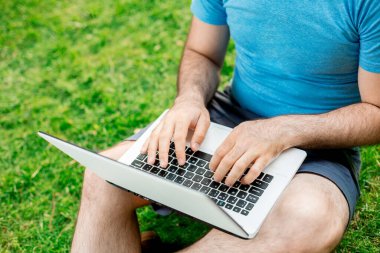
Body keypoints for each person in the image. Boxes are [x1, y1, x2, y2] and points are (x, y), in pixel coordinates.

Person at [71, 0, 380, 252]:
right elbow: (202, 53)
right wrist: (189, 100)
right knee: (103, 175)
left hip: (319, 143)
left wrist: (284, 130)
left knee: (308, 221)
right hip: (229, 116)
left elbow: (375, 111)